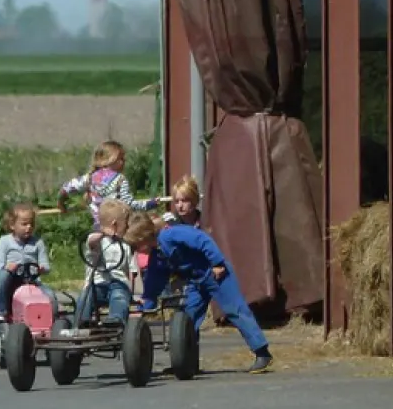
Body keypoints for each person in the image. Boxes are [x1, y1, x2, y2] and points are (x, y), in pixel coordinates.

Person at [124, 212, 274, 374]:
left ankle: (262, 353)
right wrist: (146, 304)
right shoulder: (157, 255)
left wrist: (217, 262)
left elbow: (203, 240)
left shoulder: (172, 234)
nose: (136, 250)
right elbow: (155, 280)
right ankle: (186, 362)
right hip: (196, 281)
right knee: (187, 318)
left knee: (235, 310)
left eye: (137, 245)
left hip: (215, 273)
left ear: (145, 237)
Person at [58, 140, 163, 229]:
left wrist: (61, 204)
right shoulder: (120, 180)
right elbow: (129, 204)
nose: (124, 162)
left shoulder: (89, 178)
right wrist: (150, 204)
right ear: (110, 159)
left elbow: (65, 189)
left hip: (98, 228)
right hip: (118, 229)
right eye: (121, 159)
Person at [0, 202, 53, 324]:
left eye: (31, 224)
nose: (28, 227)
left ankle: (50, 319)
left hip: (32, 281)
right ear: (12, 225)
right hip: (12, 281)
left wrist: (42, 269)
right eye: (24, 224)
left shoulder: (37, 243)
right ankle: (1, 312)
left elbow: (46, 266)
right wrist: (7, 267)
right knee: (1, 275)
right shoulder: (4, 241)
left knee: (50, 295)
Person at [78, 199, 137, 325]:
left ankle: (115, 320)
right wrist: (103, 233)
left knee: (119, 296)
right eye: (125, 225)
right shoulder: (98, 240)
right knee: (85, 297)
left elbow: (132, 271)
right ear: (115, 224)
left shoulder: (125, 245)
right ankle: (81, 321)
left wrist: (132, 293)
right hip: (96, 284)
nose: (127, 228)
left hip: (118, 283)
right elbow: (91, 242)